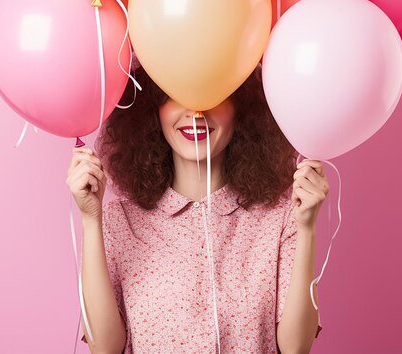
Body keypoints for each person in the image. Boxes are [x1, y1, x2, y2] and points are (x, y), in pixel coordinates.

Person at [67, 61, 328, 353]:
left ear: (241, 108)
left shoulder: (280, 220)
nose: (195, 113)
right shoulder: (118, 222)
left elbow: (296, 348)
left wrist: (307, 229)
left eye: (214, 94)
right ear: (153, 110)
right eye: (175, 94)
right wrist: (91, 220)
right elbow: (105, 349)